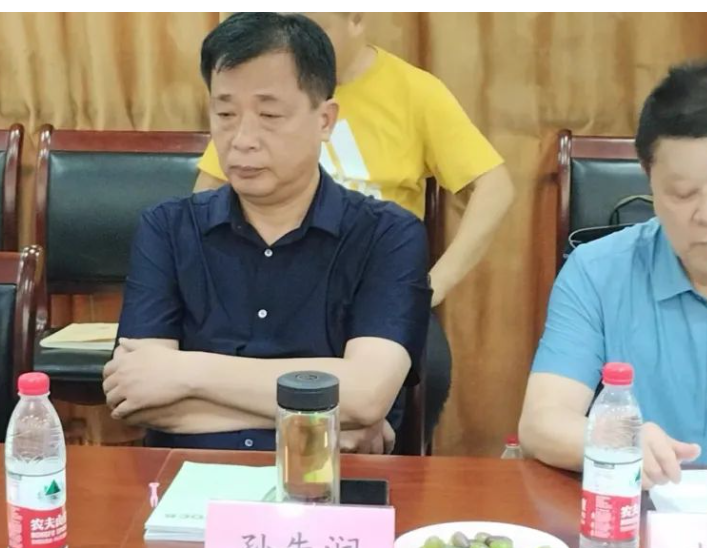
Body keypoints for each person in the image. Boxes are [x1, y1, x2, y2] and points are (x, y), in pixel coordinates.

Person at [103, 12, 431, 453]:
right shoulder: (167, 228)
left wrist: (185, 372)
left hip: (327, 480)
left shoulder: (388, 235)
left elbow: (365, 395)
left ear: (325, 120)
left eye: (269, 114)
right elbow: (135, 395)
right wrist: (324, 418)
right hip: (188, 475)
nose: (242, 139)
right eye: (225, 113)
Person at [193, 12, 514, 436]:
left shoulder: (414, 91)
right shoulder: (257, 101)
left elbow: (494, 187)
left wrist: (431, 286)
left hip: (370, 292)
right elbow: (205, 201)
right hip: (264, 286)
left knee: (425, 369)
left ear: (357, 18)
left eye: (314, 26)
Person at [518, 60, 707, 485]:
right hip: (637, 516)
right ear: (648, 179)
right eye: (682, 193)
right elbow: (542, 423)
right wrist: (615, 441)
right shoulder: (598, 273)